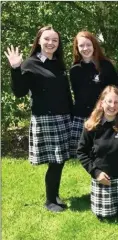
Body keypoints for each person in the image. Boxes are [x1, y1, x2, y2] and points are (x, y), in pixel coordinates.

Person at [5, 26, 72, 212]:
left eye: (55, 40)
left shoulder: (58, 63)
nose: (51, 43)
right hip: (45, 119)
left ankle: (54, 195)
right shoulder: (30, 63)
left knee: (60, 160)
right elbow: (19, 92)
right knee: (55, 160)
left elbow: (66, 92)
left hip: (64, 117)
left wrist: (72, 114)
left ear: (58, 44)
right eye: (47, 39)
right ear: (39, 41)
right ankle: (50, 200)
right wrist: (16, 68)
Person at [77, 86, 118, 219]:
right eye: (109, 101)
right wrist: (96, 173)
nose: (112, 105)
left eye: (116, 102)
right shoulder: (91, 126)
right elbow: (81, 152)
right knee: (106, 216)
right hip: (104, 180)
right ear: (102, 103)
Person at [69, 30, 118, 158]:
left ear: (94, 46)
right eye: (81, 46)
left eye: (88, 45)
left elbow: (117, 88)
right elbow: (77, 94)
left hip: (104, 115)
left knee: (104, 153)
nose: (85, 48)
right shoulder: (74, 70)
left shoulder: (106, 65)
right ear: (77, 48)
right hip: (82, 117)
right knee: (85, 154)